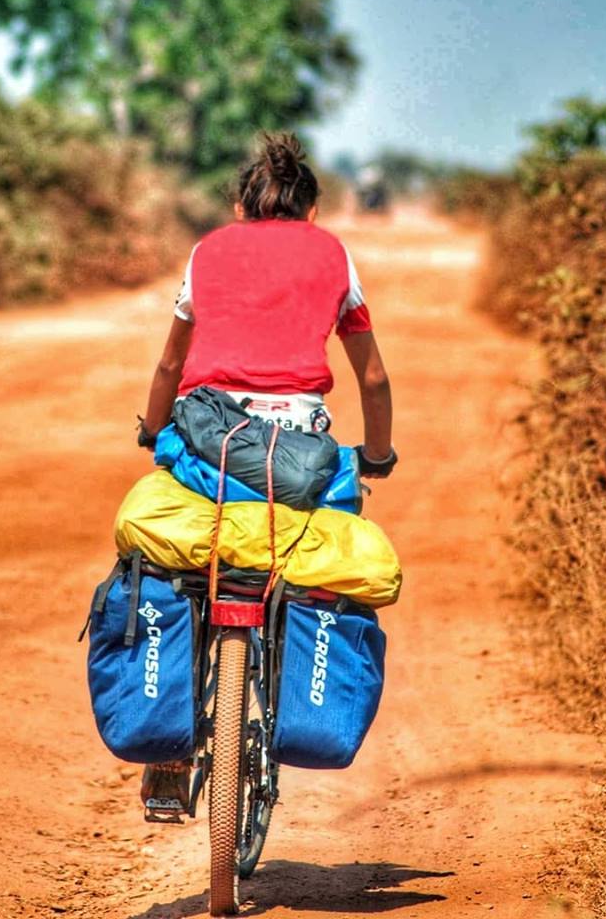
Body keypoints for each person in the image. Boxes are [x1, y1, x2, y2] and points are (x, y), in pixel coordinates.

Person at [136, 131, 397, 811]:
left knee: (172, 553)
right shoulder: (333, 254)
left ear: (240, 207)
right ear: (311, 211)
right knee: (313, 553)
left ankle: (168, 750)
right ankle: (293, 684)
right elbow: (372, 377)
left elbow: (170, 363)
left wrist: (152, 429)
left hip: (209, 439)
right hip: (297, 451)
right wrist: (378, 453)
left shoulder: (209, 251)